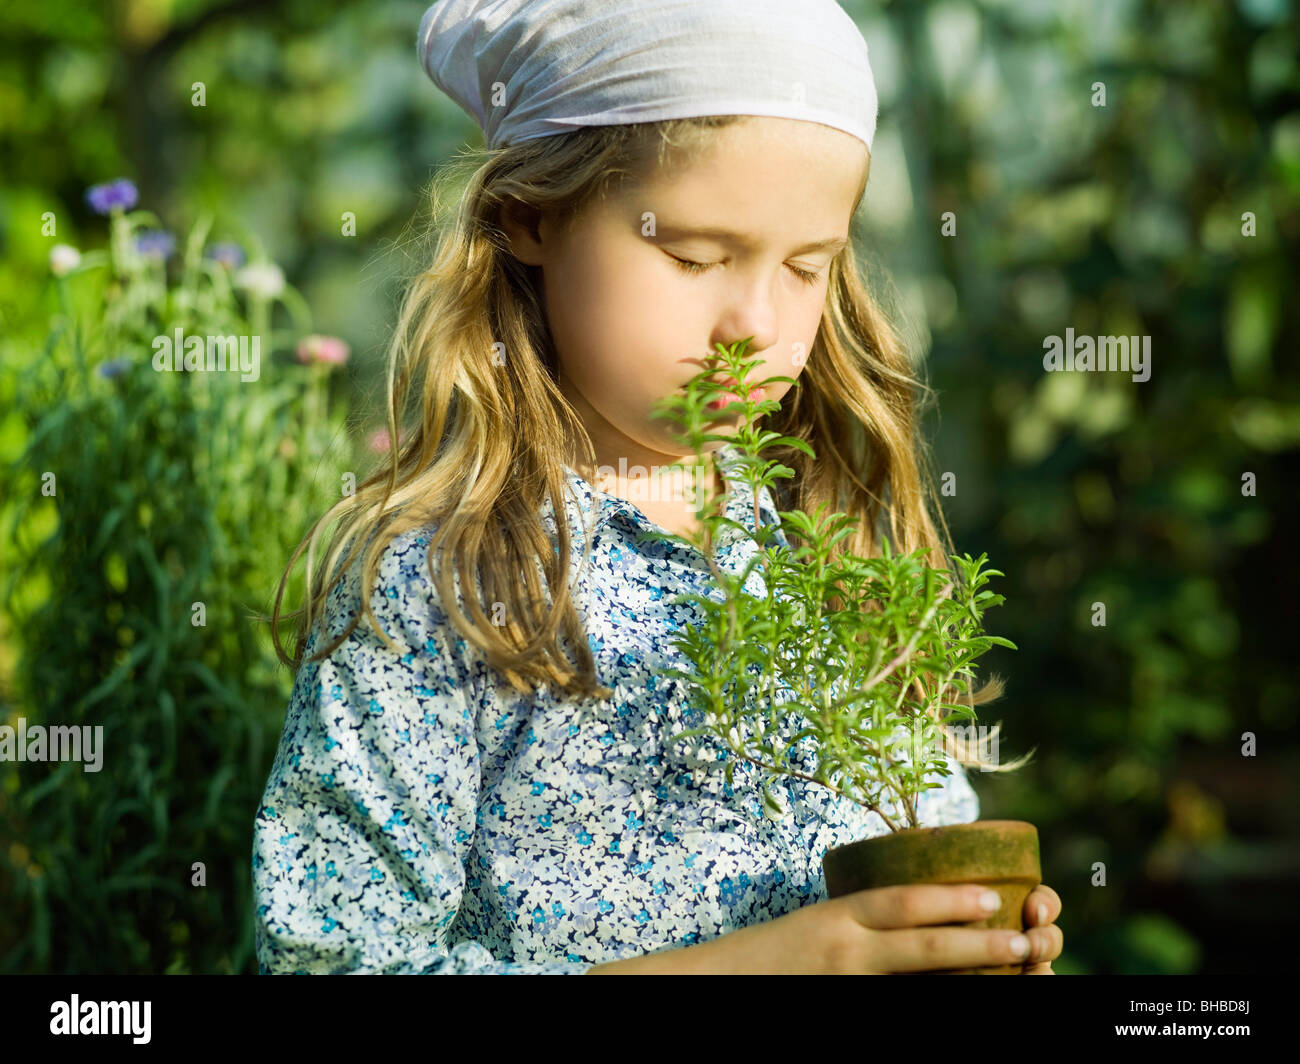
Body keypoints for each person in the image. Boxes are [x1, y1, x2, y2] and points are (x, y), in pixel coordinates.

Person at [252, 0, 1063, 975]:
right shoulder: (444, 582)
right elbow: (332, 959)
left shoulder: (830, 547)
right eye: (691, 255)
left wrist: (965, 929)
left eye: (807, 269)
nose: (752, 325)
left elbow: (911, 855)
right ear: (531, 217)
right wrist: (780, 963)